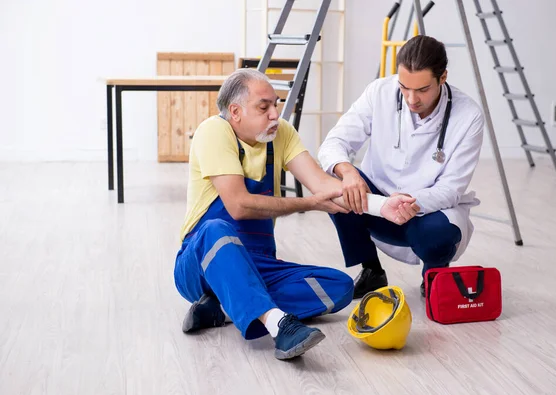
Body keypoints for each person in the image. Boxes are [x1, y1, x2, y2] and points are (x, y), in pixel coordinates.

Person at [172, 69, 412, 360]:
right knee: (216, 228)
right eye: (264, 107)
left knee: (339, 287)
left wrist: (382, 206)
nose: (275, 114)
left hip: (259, 265)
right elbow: (238, 205)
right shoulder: (214, 131)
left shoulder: (281, 133)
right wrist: (308, 204)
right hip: (201, 263)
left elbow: (324, 186)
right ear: (235, 112)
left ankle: (222, 306)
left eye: (276, 103)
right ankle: (279, 324)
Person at [318, 35, 484, 299]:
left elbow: (451, 189)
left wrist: (409, 200)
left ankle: (433, 275)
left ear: (442, 78)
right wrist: (348, 172)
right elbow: (334, 143)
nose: (411, 98)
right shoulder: (379, 92)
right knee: (334, 185)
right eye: (404, 87)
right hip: (376, 203)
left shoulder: (469, 115)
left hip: (426, 210)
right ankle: (372, 270)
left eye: (422, 90)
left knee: (438, 237)